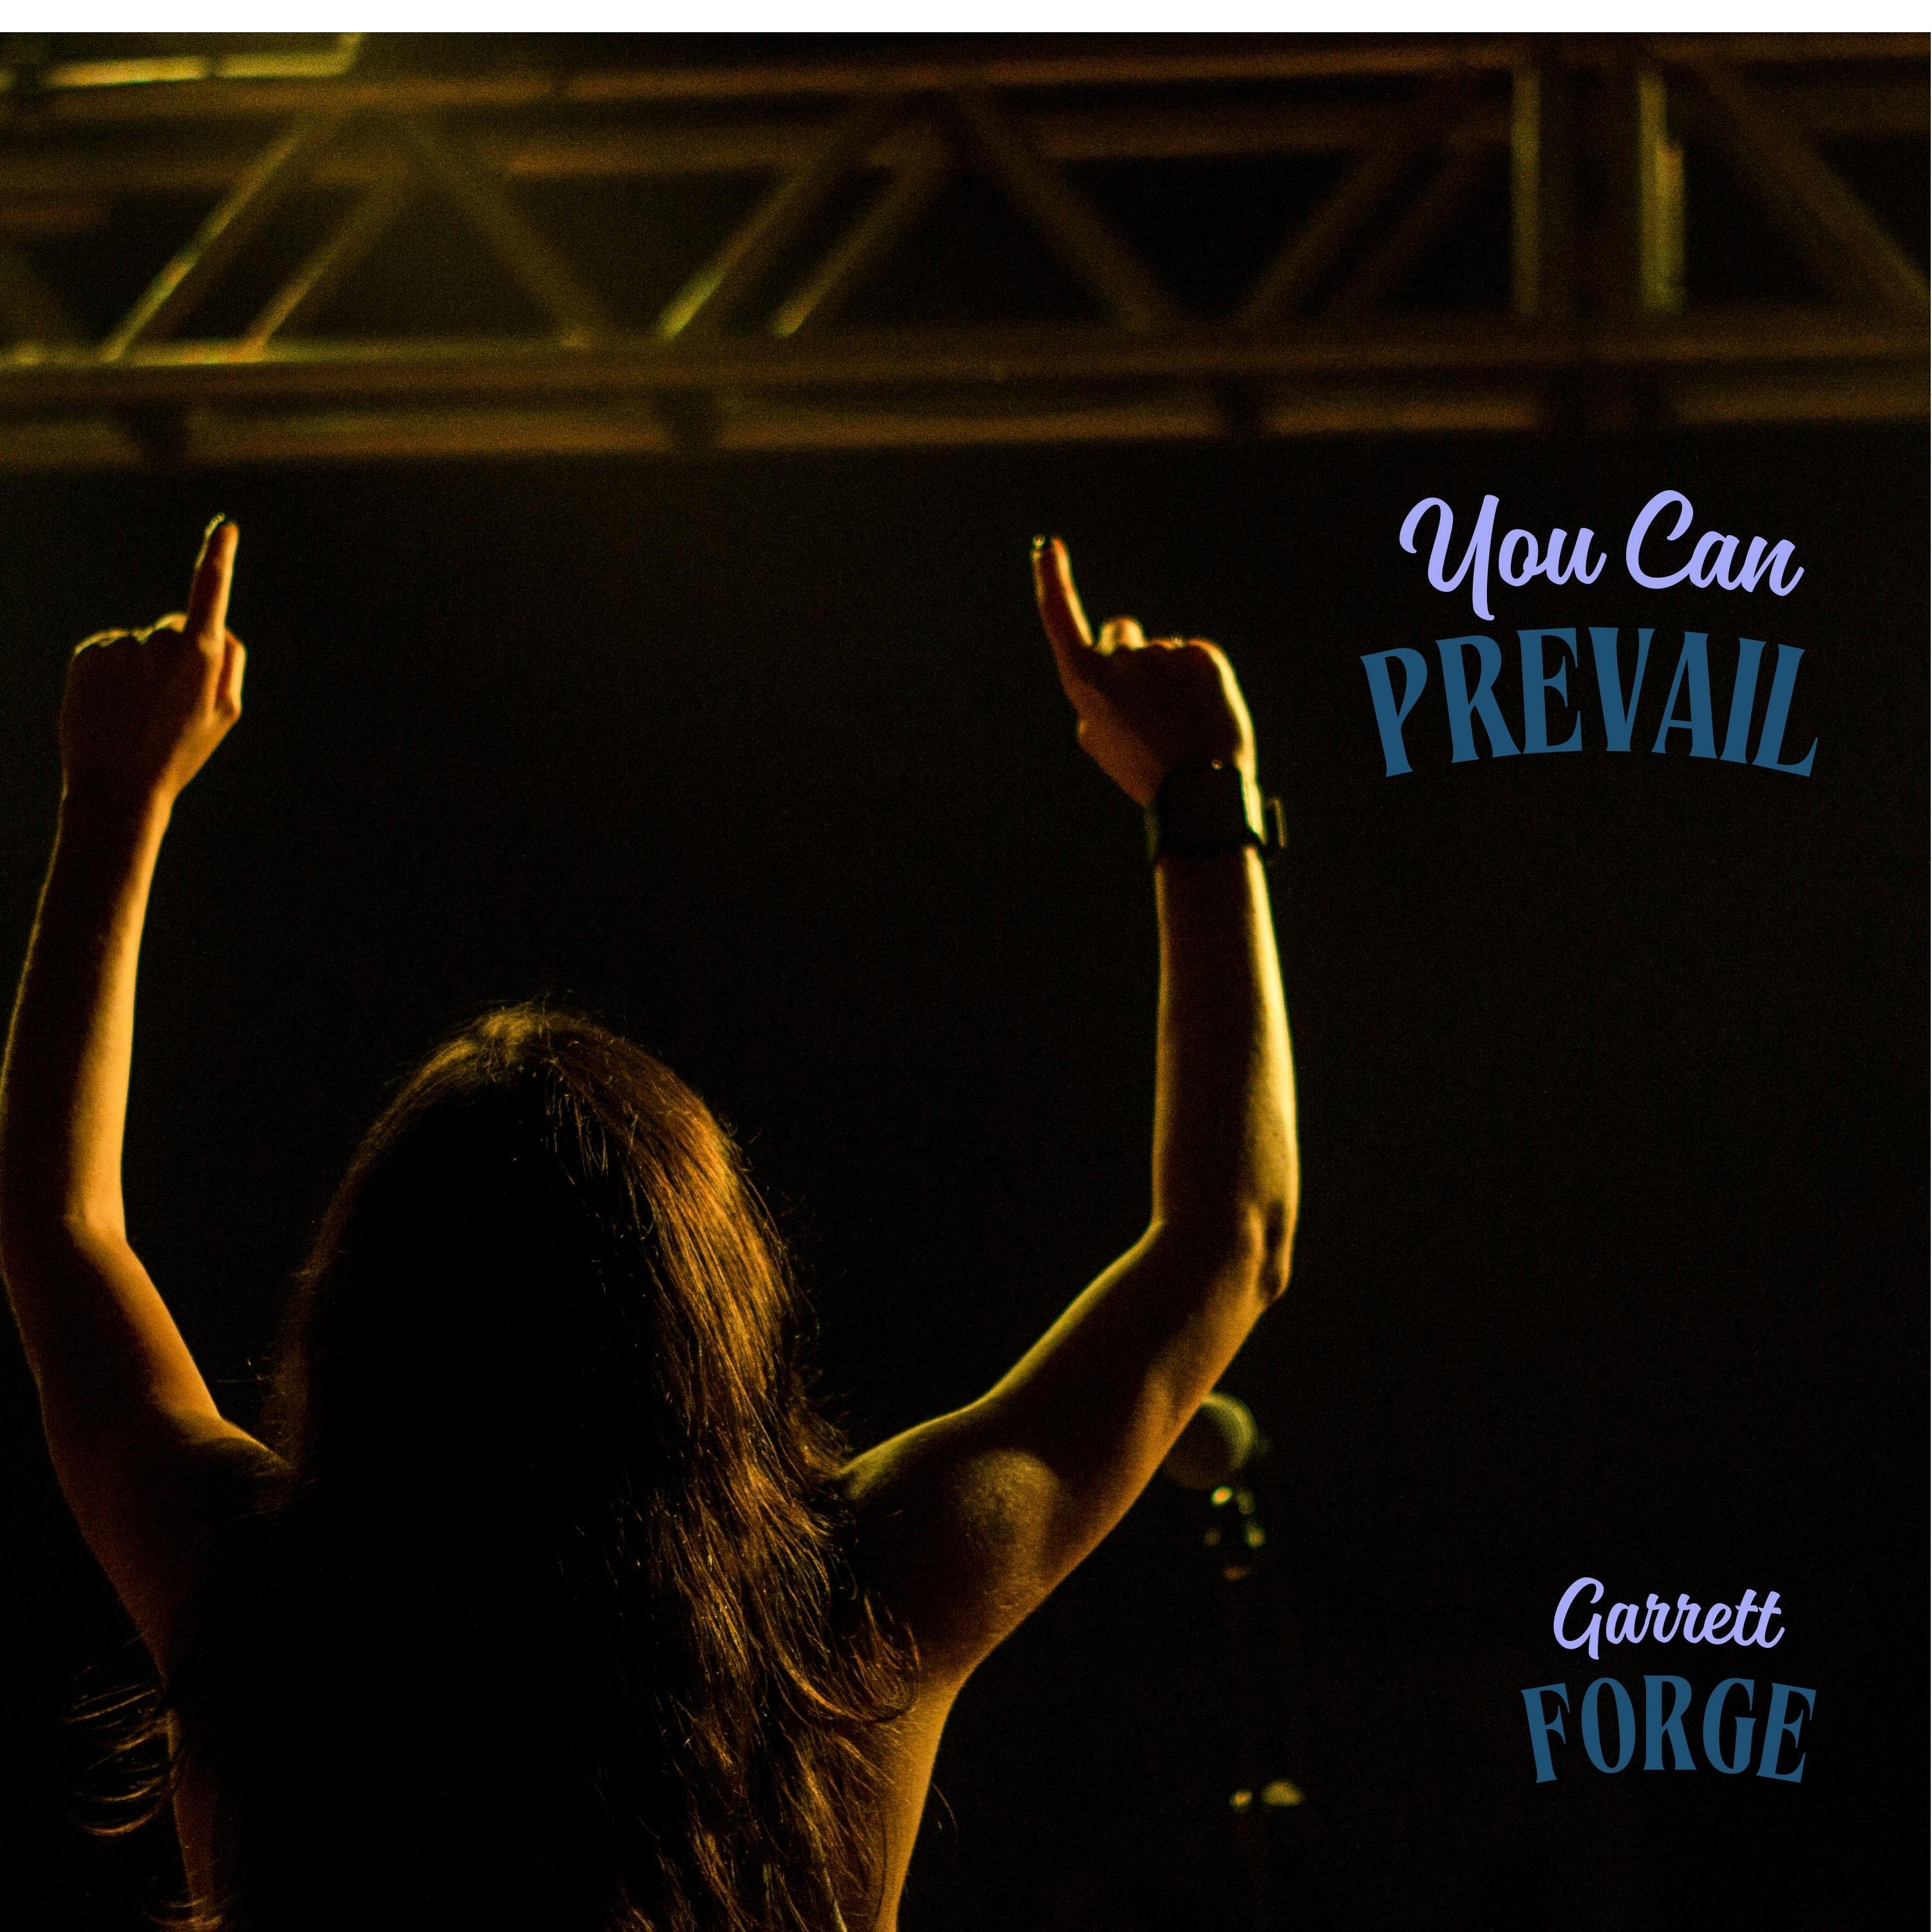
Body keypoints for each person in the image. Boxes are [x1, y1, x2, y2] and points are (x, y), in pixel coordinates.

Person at [0, 518, 1298, 1931]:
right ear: (714, 1303)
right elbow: (1227, 1241)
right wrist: (1202, 799)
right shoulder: (850, 1616)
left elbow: (60, 1232)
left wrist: (113, 798)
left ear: (365, 1311)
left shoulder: (255, 1608)